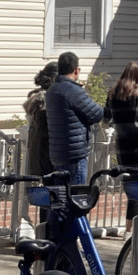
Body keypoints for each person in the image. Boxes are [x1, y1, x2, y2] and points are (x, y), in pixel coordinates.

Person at [105, 62, 138, 224]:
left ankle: (129, 231)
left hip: (123, 149)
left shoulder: (112, 94)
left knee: (134, 191)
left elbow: (106, 118)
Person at [46, 51, 105, 185]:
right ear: (76, 70)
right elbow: (97, 114)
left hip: (57, 153)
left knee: (61, 198)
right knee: (75, 199)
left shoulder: (52, 90)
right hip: (74, 155)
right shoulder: (72, 90)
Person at [22, 63, 58, 177]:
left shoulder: (37, 95)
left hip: (39, 148)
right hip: (46, 150)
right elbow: (44, 127)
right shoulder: (44, 98)